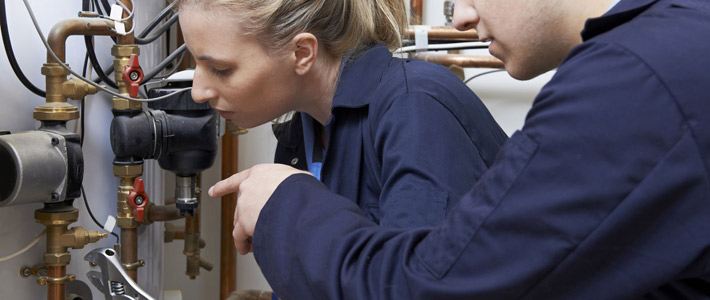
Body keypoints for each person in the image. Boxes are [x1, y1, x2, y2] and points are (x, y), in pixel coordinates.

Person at [209, 0, 710, 298]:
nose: (465, 16)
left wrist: (284, 204)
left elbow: (429, 287)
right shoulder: (674, 43)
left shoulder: (634, 80)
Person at [178, 0, 508, 229]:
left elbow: (414, 286)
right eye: (196, 64)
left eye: (219, 69)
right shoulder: (299, 140)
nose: (198, 92)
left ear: (302, 52)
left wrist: (295, 209)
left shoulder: (417, 110)